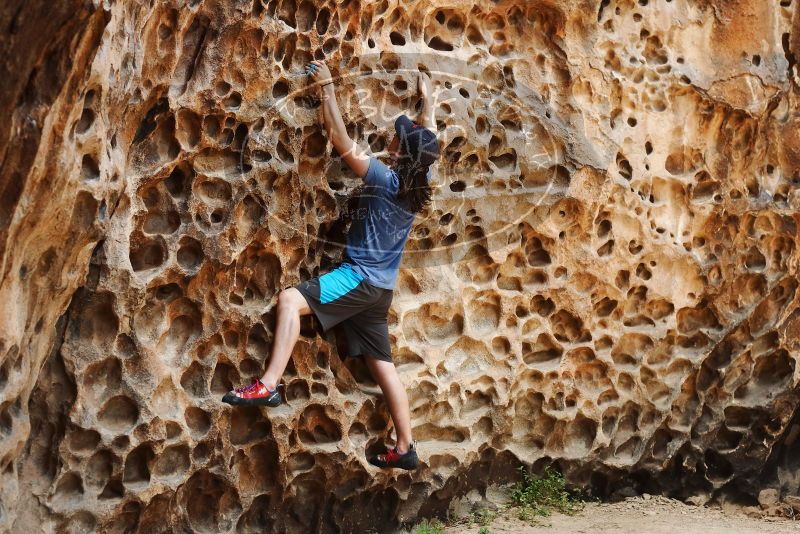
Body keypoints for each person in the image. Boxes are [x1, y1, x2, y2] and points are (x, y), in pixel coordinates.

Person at [222, 60, 439, 470]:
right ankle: (405, 447)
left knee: (289, 301)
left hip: (357, 280)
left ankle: (268, 385)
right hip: (380, 293)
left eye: (396, 139)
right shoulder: (416, 188)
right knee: (384, 368)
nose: (391, 140)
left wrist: (327, 88)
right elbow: (426, 145)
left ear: (397, 151)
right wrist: (427, 103)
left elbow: (339, 139)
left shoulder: (382, 179)